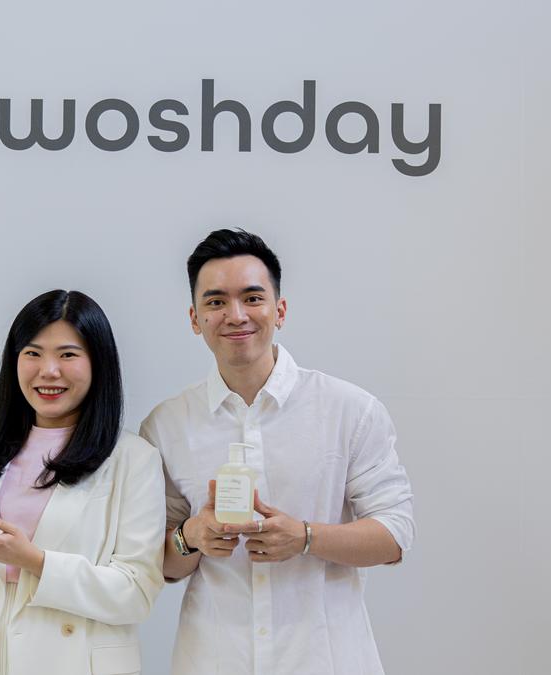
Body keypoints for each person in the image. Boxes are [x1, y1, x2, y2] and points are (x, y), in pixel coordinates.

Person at [140, 229, 415, 675]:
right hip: (214, 660)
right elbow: (161, 563)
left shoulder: (349, 410)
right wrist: (191, 535)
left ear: (279, 310)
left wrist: (305, 537)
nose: (236, 315)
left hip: (326, 659)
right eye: (216, 302)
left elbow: (395, 535)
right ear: (195, 318)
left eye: (252, 298)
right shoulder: (166, 424)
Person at [0, 290, 165, 675]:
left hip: (70, 660)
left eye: (68, 355)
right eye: (33, 353)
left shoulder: (132, 458)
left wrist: (33, 560)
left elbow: (137, 591)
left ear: (98, 362)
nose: (48, 371)